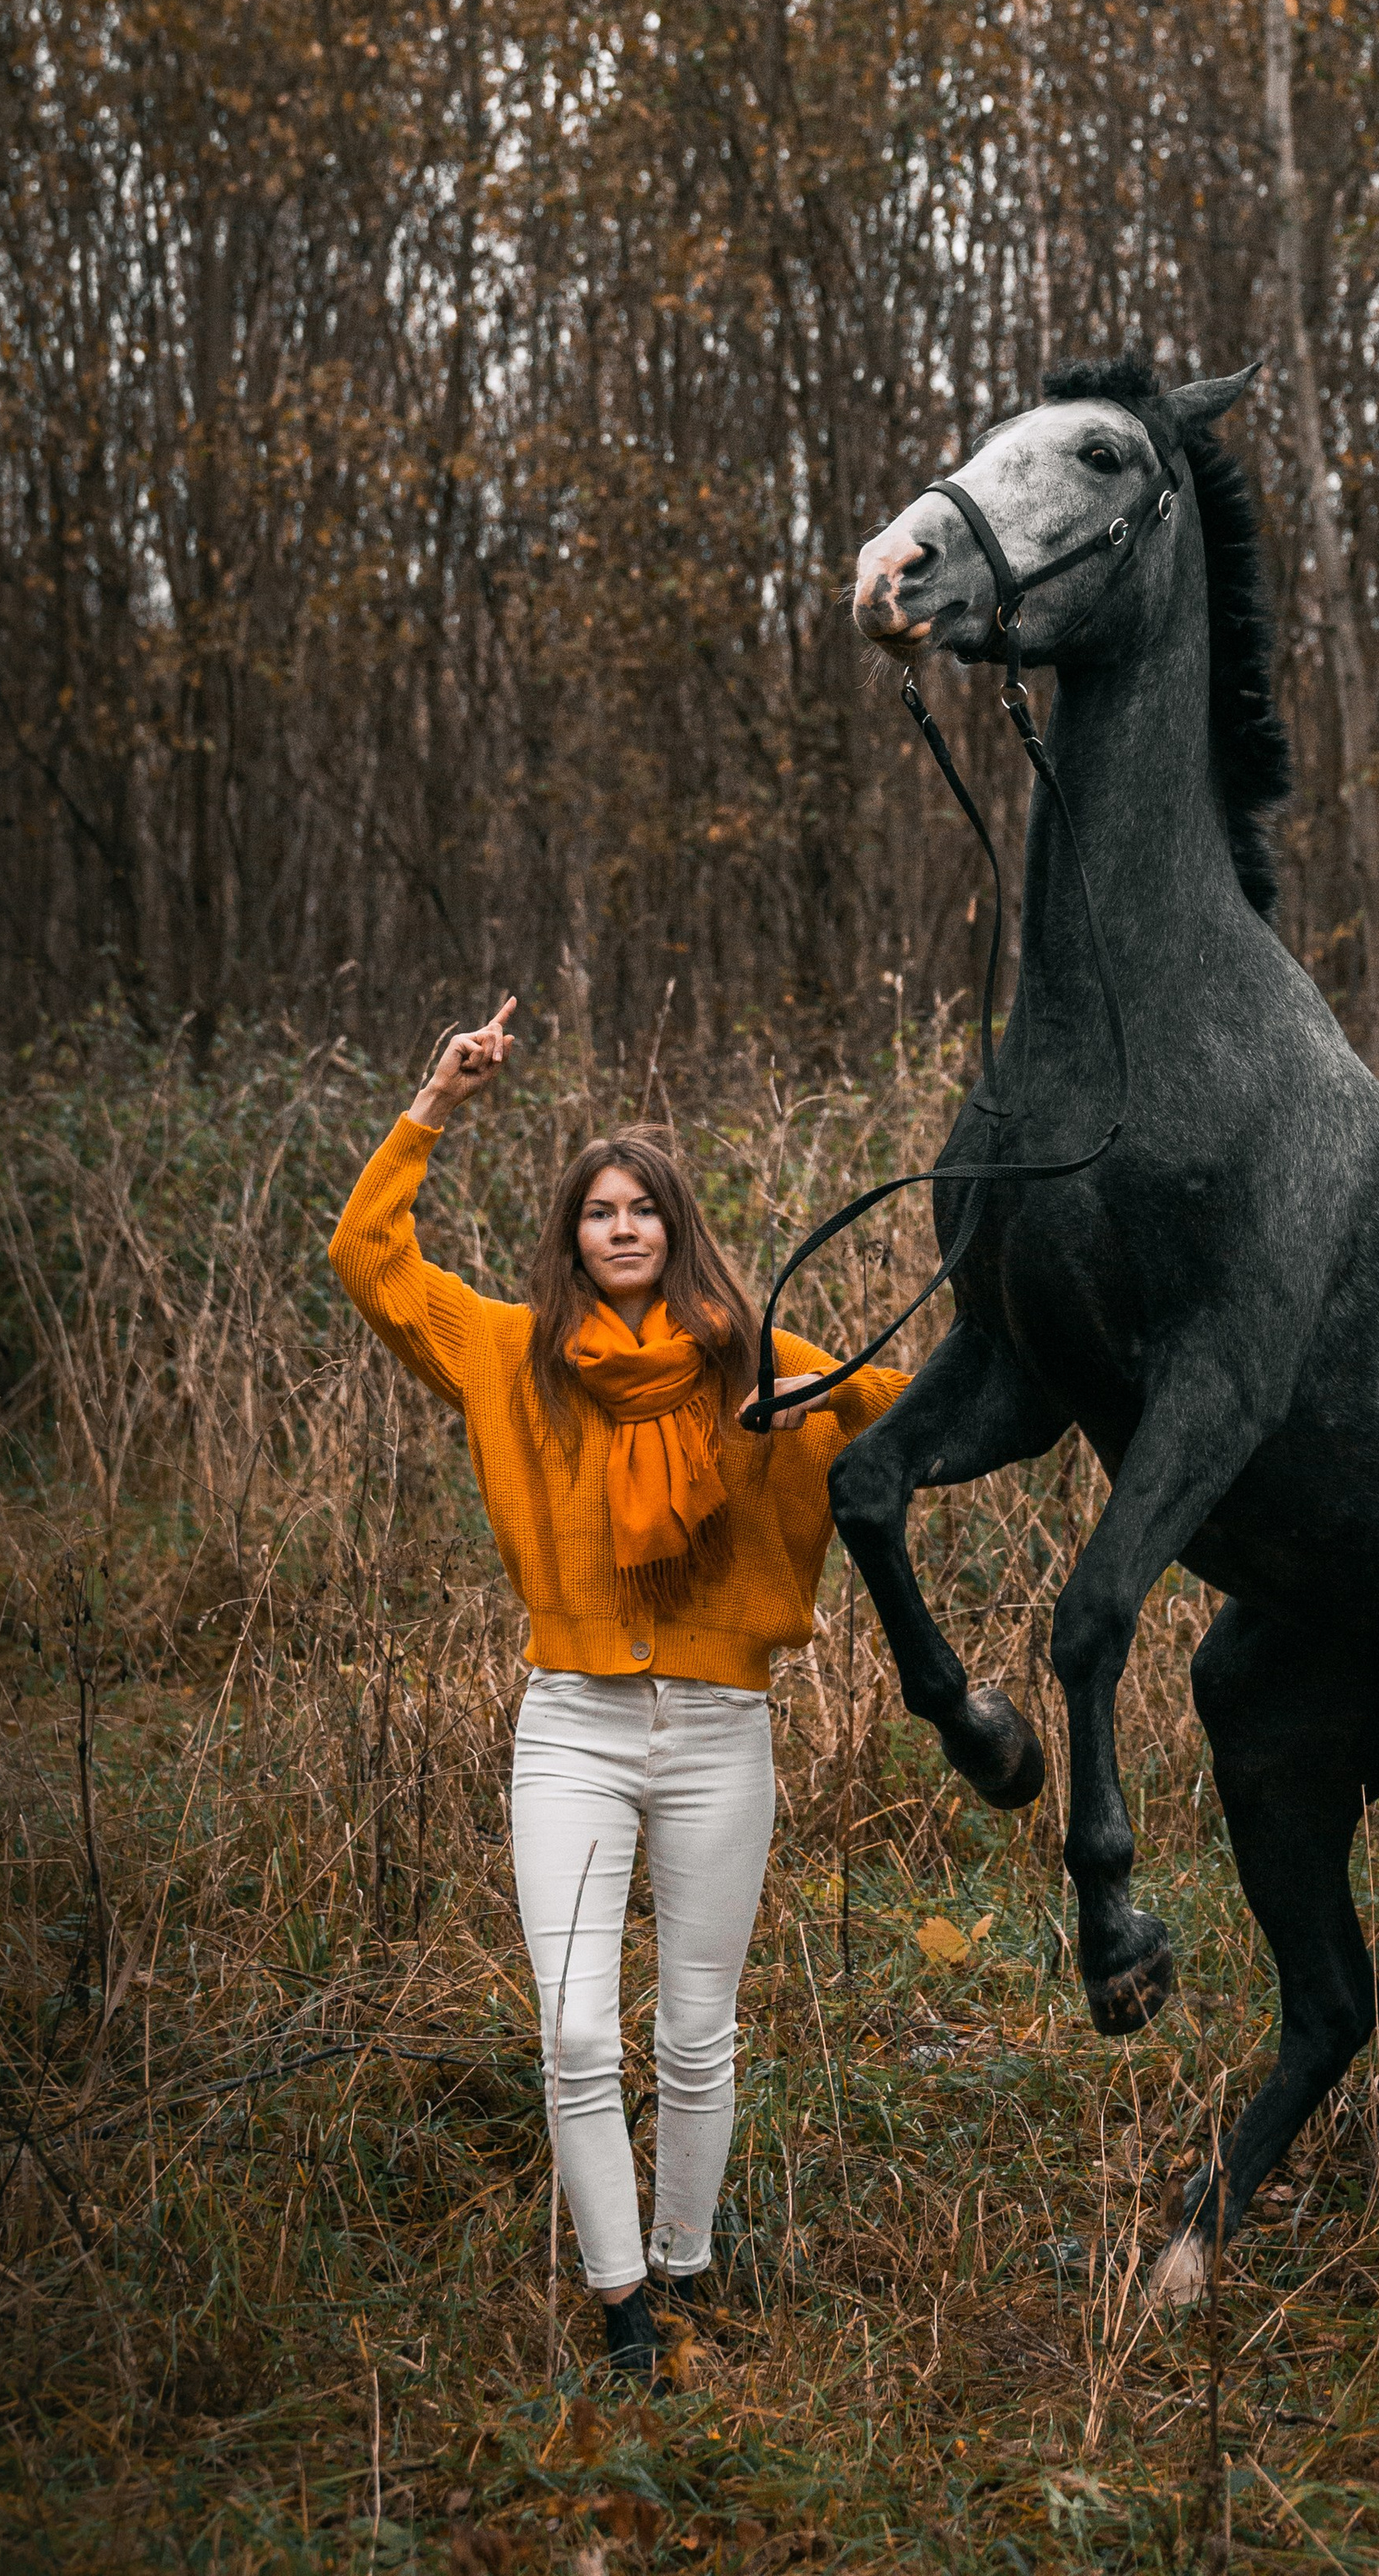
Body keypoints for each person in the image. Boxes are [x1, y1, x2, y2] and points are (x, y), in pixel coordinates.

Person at [328, 998, 903, 2381]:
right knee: (579, 2025)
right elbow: (368, 1259)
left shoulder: (757, 1367)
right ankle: (624, 2301)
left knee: (697, 2032)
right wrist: (436, 1099)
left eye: (645, 1207)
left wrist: (839, 1397)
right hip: (573, 1729)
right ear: (574, 1235)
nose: (624, 1228)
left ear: (678, 1227)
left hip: (719, 1731)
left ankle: (693, 2271)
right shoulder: (509, 1352)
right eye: (600, 1210)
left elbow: (909, 1402)